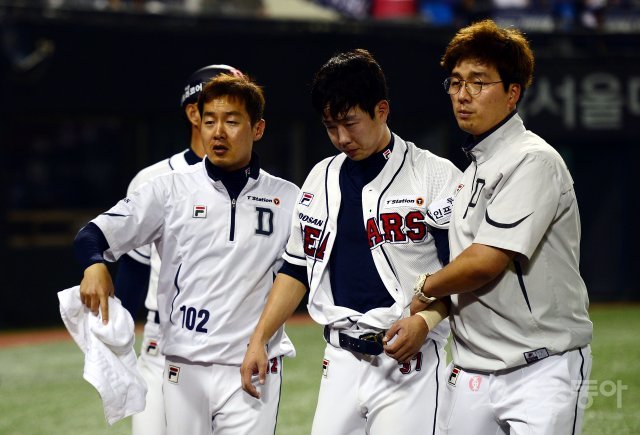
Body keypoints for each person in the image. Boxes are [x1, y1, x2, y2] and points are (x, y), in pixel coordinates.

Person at [240, 48, 461, 434]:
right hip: (339, 360)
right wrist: (259, 339)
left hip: (409, 360)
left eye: (350, 123)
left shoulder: (434, 175)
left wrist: (426, 320)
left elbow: (461, 272)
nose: (342, 137)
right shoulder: (319, 178)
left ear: (381, 110)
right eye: (331, 126)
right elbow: (296, 268)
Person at [74, 73, 299, 435]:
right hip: (184, 364)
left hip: (253, 364)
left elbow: (301, 273)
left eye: (231, 122)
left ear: (257, 129)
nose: (218, 132)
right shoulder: (168, 190)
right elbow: (92, 234)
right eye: (210, 122)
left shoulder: (289, 198)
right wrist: (94, 266)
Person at [409, 19, 593, 434]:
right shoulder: (472, 170)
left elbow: (484, 262)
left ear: (513, 93)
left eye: (478, 82)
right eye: (456, 82)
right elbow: (462, 272)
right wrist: (428, 315)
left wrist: (424, 288)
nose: (462, 94)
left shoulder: (532, 159)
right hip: (472, 370)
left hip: (541, 368)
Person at [113, 64, 244, 435]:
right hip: (165, 342)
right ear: (193, 113)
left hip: (236, 343)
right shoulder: (153, 180)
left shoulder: (265, 188)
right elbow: (135, 268)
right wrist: (117, 341)